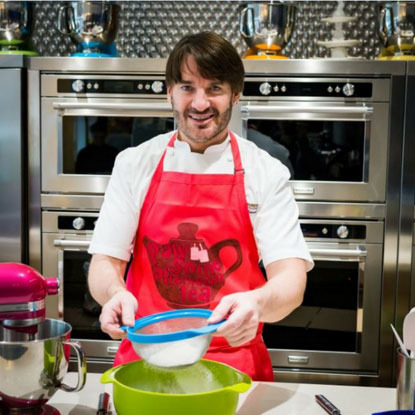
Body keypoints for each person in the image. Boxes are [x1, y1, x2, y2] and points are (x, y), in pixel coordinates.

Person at [87, 31, 313, 381]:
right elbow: (105, 261)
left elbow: (291, 281)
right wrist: (114, 294)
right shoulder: (135, 164)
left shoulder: (265, 171)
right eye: (187, 87)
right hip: (145, 358)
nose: (200, 103)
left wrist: (257, 304)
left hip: (234, 363)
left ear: (235, 95)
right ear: (170, 94)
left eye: (215, 88)